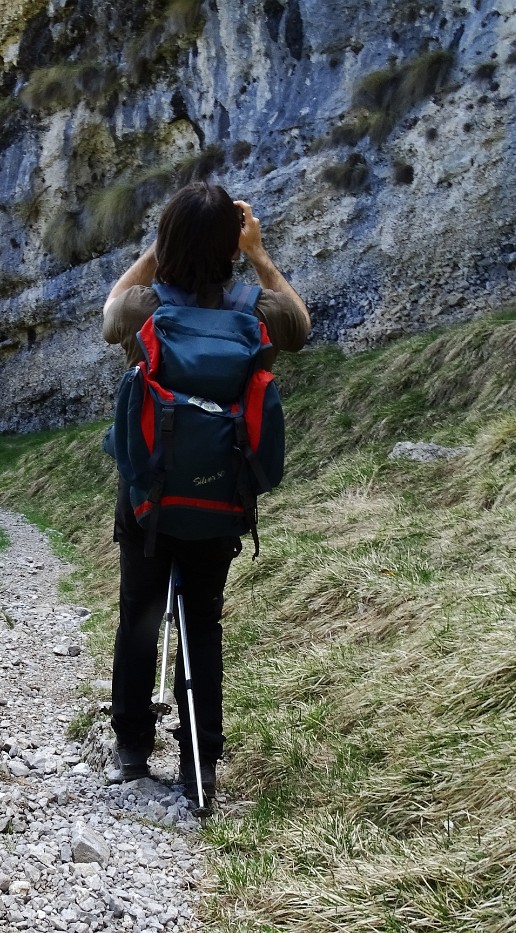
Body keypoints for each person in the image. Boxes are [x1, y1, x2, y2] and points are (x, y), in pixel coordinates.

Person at [100, 181, 311, 796]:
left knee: (139, 615)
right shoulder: (254, 310)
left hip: (150, 495)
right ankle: (201, 761)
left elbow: (111, 313)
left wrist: (157, 250)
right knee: (203, 620)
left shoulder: (147, 307)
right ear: (231, 243)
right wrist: (260, 255)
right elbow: (299, 326)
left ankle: (133, 749)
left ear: (167, 244)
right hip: (222, 495)